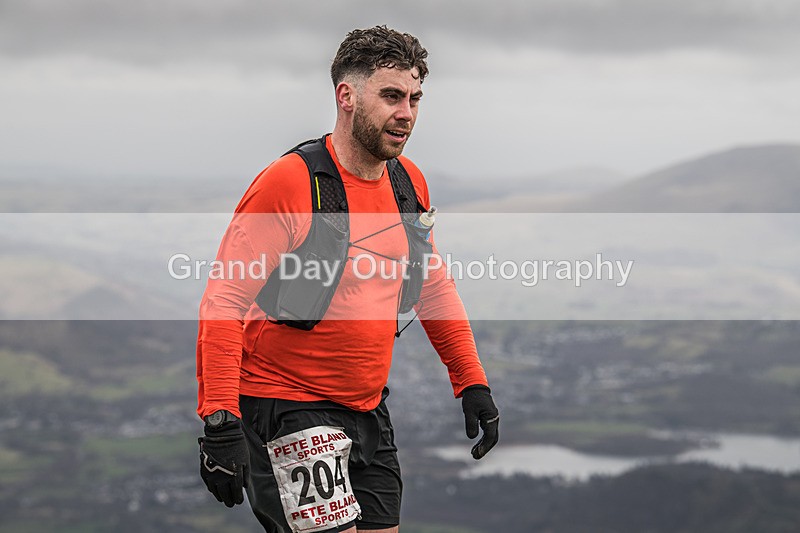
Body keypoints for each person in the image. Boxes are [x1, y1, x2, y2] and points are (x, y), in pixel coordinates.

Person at [196, 25, 499, 533]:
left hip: (368, 408)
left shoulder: (408, 182)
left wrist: (471, 381)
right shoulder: (290, 183)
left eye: (415, 99)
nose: (406, 113)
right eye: (391, 96)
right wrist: (220, 420)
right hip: (286, 404)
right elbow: (225, 299)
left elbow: (431, 283)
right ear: (347, 97)